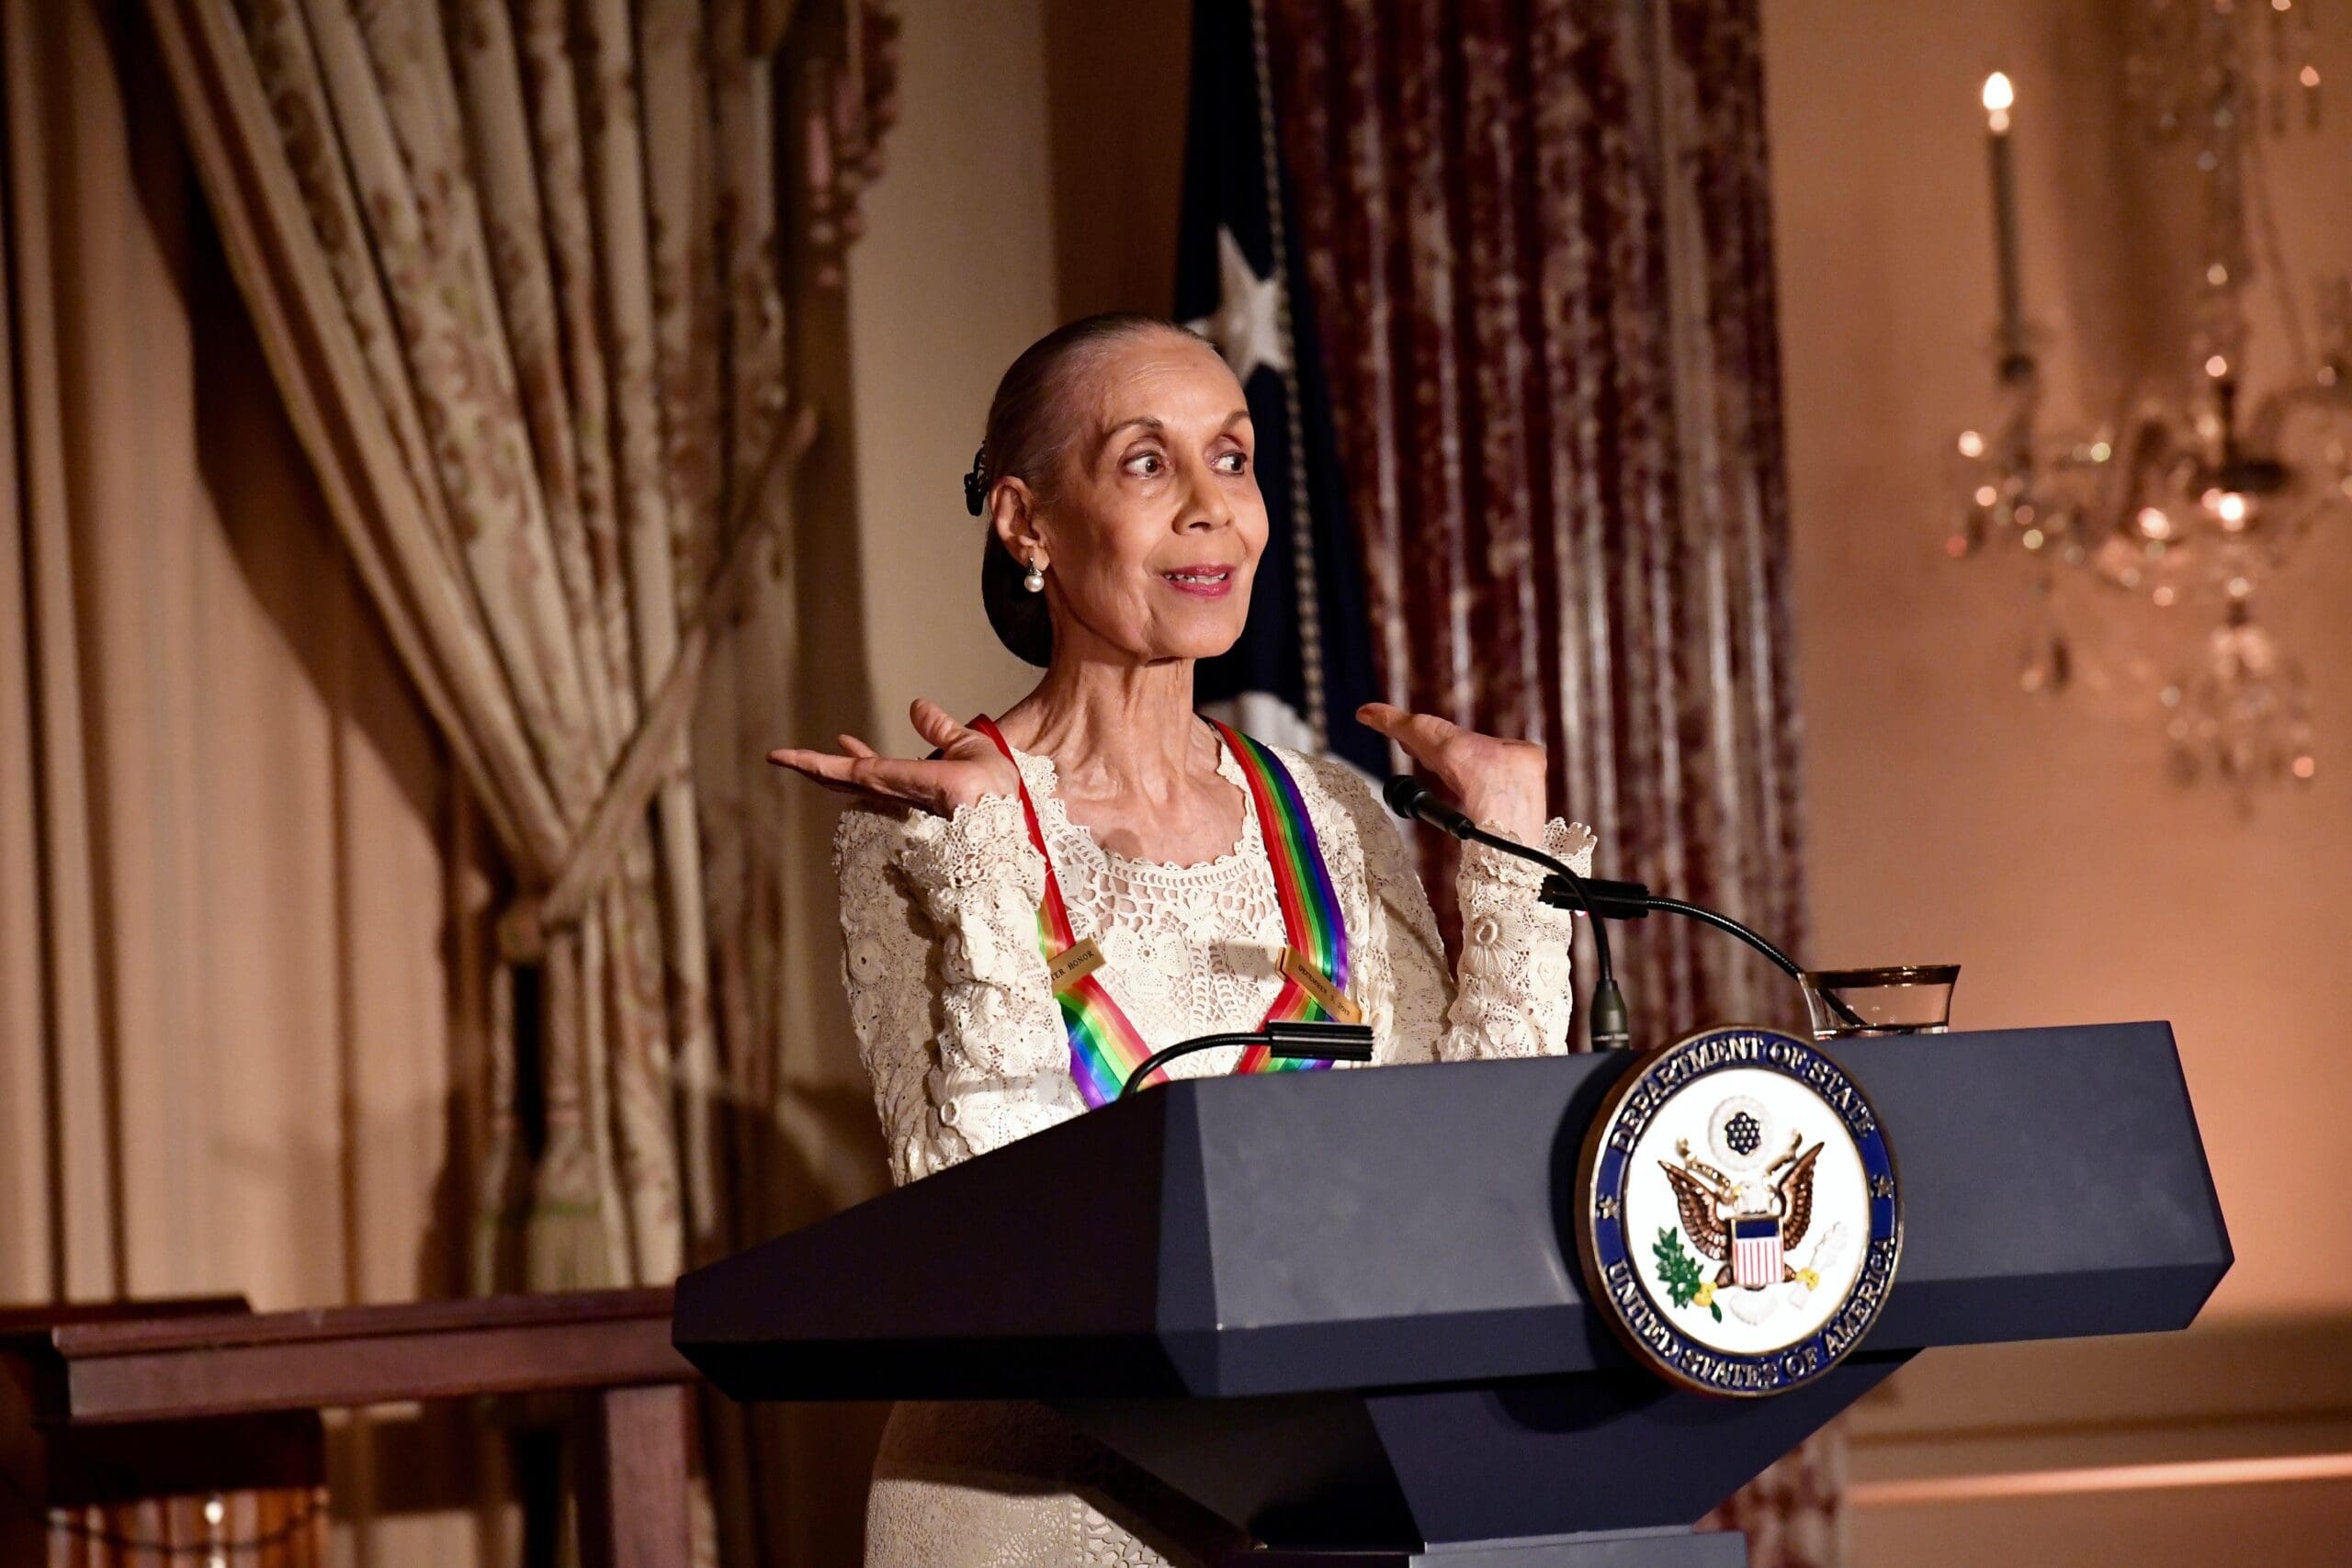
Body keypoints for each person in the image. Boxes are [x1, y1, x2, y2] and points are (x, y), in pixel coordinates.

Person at [769, 313, 1594, 1567]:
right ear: (1027, 523)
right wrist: (991, 853)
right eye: (1147, 462)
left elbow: (1463, 1173)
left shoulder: (1335, 814)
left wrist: (1510, 848)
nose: (1213, 507)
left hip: (1325, 1493)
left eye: (1234, 457)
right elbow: (989, 1215)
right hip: (1039, 1504)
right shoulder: (932, 824)